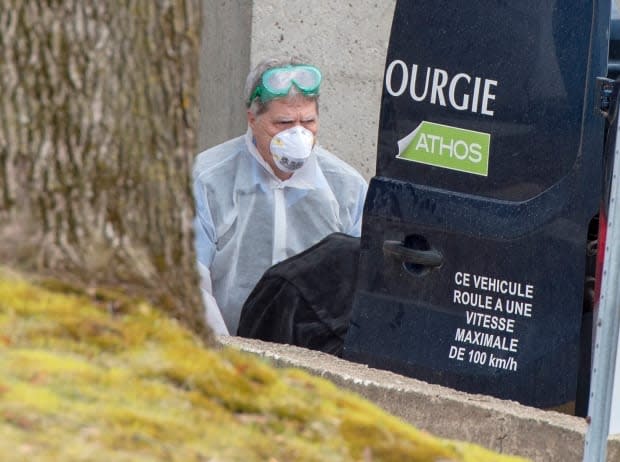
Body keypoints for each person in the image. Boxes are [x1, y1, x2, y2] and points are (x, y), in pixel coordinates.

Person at [192, 57, 368, 335]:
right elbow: (191, 278)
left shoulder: (346, 187)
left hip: (314, 358)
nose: (298, 134)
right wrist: (222, 352)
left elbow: (364, 282)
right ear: (252, 119)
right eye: (283, 122)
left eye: (308, 121)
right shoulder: (208, 179)